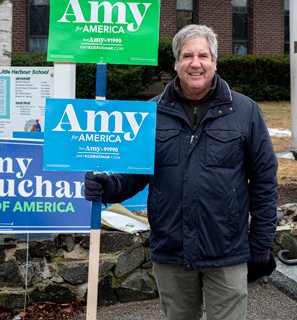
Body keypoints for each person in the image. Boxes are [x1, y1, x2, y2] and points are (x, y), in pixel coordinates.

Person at [84, 24, 278, 320]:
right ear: (176, 63)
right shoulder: (151, 114)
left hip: (226, 251)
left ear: (214, 61)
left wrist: (261, 242)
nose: (195, 63)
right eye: (187, 55)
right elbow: (136, 175)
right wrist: (108, 187)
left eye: (203, 55)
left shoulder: (245, 112)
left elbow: (264, 181)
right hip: (172, 249)